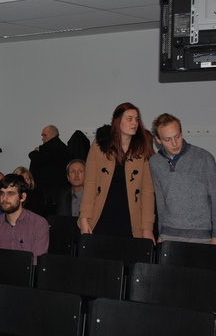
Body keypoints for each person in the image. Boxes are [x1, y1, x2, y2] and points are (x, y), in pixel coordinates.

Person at [79, 102, 155, 240]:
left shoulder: (144, 150)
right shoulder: (99, 146)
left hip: (131, 219)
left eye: (137, 119)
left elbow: (148, 192)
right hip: (101, 215)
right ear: (117, 121)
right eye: (129, 119)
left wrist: (147, 228)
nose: (135, 123)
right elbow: (90, 184)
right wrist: (84, 218)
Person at [150, 113, 216, 244]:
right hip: (169, 236)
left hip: (202, 236)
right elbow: (160, 201)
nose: (174, 143)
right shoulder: (154, 162)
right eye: (168, 139)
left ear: (181, 133)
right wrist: (161, 233)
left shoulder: (204, 158)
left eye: (177, 136)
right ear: (158, 140)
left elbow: (215, 197)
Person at [0, 174, 49, 264]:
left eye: (11, 193)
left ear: (23, 197)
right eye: (2, 193)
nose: (4, 198)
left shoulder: (39, 224)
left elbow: (36, 263)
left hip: (27, 275)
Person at [28, 125, 70, 208]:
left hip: (45, 195)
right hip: (61, 193)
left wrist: (35, 152)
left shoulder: (46, 148)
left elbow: (34, 158)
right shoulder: (65, 148)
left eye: (44, 135)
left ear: (53, 135)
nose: (42, 138)